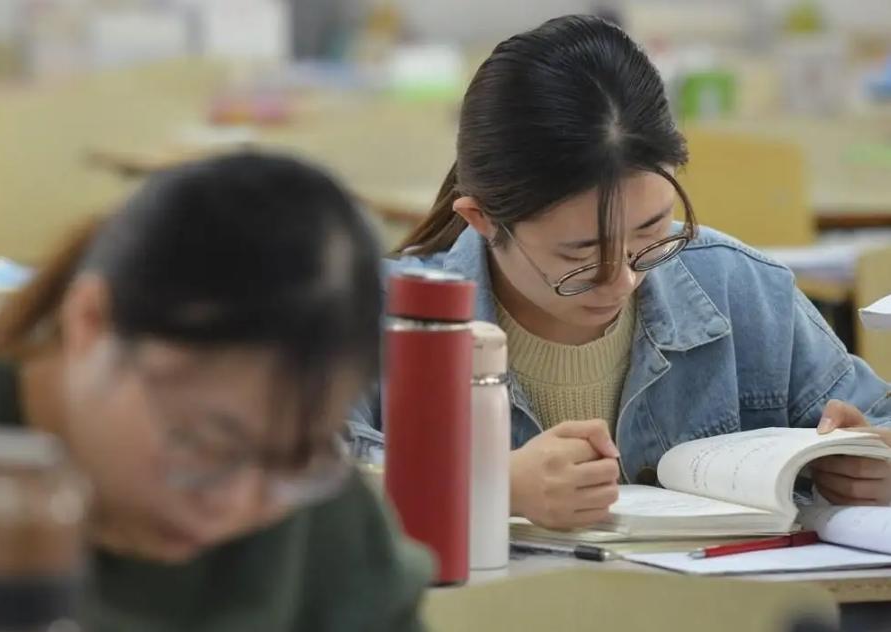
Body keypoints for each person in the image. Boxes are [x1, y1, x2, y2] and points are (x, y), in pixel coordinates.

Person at [351, 15, 891, 531]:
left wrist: (870, 458)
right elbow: (299, 479)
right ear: (482, 220)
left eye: (651, 230)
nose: (623, 282)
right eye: (580, 257)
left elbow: (877, 418)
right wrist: (491, 484)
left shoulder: (739, 288)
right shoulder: (373, 315)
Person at [0, 153, 431, 630]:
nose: (231, 503)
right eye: (204, 442)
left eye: (290, 460)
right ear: (91, 321)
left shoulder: (324, 526)